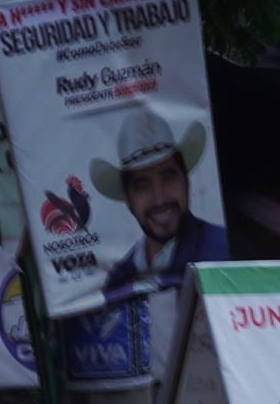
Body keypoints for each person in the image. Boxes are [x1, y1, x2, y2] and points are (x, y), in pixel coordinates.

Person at [93, 108, 227, 295]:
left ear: (186, 181)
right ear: (128, 200)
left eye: (169, 177)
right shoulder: (118, 276)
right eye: (142, 186)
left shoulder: (223, 254)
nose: (159, 198)